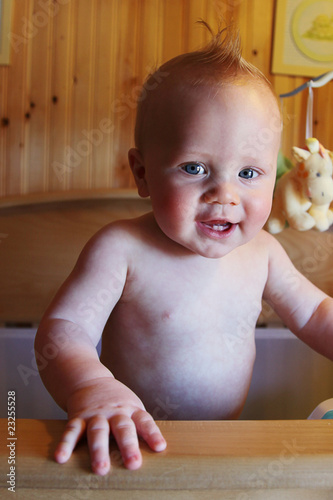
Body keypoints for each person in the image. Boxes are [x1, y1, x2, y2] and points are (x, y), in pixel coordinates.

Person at [34, 22, 333, 476]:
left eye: (249, 173)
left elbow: (315, 316)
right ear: (142, 173)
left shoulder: (264, 253)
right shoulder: (122, 248)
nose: (225, 194)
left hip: (216, 452)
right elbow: (65, 328)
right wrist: (93, 387)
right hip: (121, 450)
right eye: (195, 167)